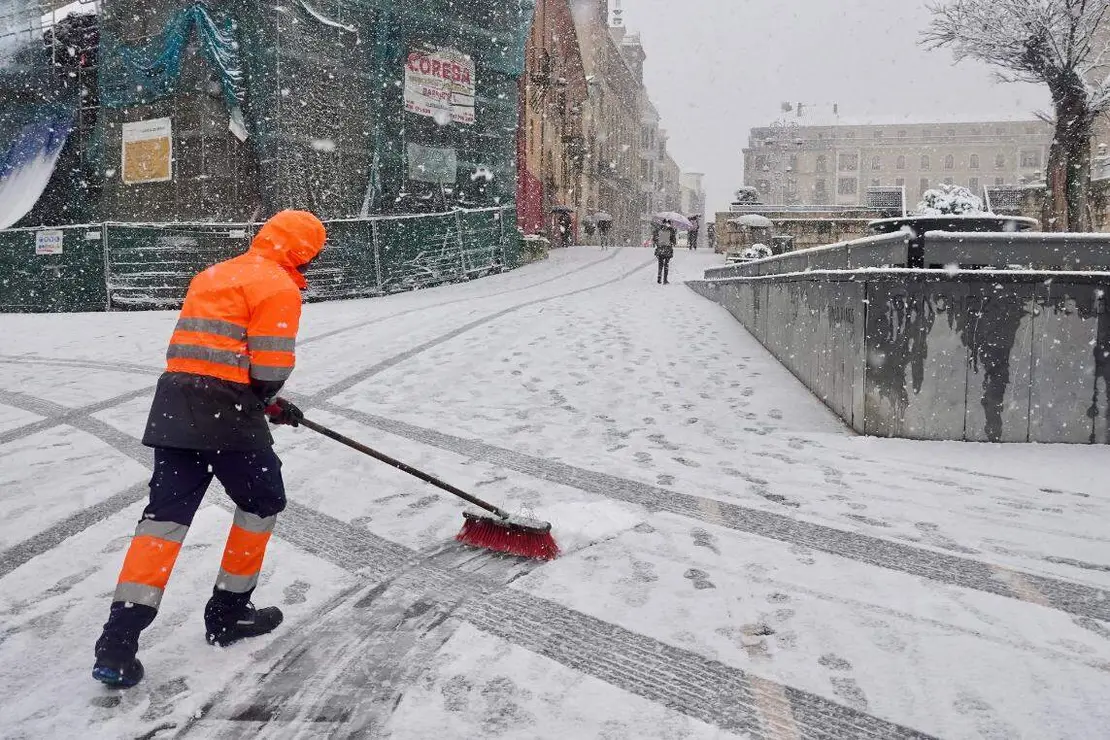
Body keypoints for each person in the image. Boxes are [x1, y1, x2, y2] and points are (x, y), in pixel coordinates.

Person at [91, 210, 327, 689]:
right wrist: (265, 398)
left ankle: (116, 644)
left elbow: (207, 352)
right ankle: (229, 614)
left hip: (175, 403)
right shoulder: (278, 287)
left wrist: (266, 402)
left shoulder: (214, 274)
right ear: (304, 253)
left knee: (164, 519)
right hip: (226, 415)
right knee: (263, 501)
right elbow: (269, 366)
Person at [654, 219, 676, 284]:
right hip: (667, 249)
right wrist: (671, 242)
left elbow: (655, 239)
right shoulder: (671, 230)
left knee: (660, 264)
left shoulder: (658, 229)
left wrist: (658, 243)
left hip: (660, 249)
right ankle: (665, 280)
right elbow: (674, 241)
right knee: (666, 265)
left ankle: (659, 278)